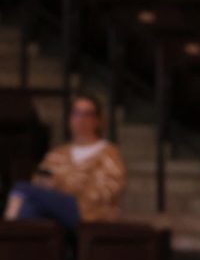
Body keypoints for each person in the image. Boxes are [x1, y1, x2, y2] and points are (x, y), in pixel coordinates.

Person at [4, 92, 126, 227]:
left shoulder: (109, 153)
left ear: (97, 120)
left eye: (87, 114)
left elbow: (107, 191)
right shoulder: (58, 154)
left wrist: (62, 187)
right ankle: (19, 244)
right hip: (57, 209)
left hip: (88, 211)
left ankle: (7, 232)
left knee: (22, 189)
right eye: (76, 113)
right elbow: (39, 182)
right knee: (29, 208)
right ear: (70, 118)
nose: (81, 119)